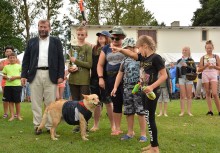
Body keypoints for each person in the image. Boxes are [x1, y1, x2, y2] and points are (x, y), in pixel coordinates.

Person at [111, 35, 167, 153]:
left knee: (150, 118)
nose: (138, 50)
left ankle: (155, 148)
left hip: (151, 92)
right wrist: (120, 49)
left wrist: (151, 87)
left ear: (145, 46)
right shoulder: (143, 58)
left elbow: (164, 75)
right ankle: (153, 144)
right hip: (144, 91)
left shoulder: (156, 58)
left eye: (139, 48)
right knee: (148, 117)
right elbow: (131, 54)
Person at [21, 19, 65, 134]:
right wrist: (23, 75)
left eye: (45, 27)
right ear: (38, 27)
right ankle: (37, 125)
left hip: (51, 74)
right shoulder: (31, 42)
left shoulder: (56, 41)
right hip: (34, 74)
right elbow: (26, 60)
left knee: (50, 102)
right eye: (41, 27)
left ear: (49, 28)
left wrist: (61, 74)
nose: (43, 29)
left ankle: (50, 126)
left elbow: (61, 59)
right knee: (36, 101)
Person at [111, 38, 147, 142]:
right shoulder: (124, 60)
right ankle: (130, 132)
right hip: (126, 88)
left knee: (140, 111)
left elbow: (146, 73)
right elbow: (120, 74)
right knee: (128, 111)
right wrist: (115, 87)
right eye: (125, 48)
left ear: (134, 47)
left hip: (138, 88)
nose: (126, 50)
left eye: (128, 48)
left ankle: (143, 134)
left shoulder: (140, 58)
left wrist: (144, 83)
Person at [97, 26, 126, 135]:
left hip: (124, 79)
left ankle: (130, 130)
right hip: (109, 78)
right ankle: (117, 128)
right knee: (116, 103)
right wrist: (101, 78)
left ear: (122, 37)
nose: (114, 40)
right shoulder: (106, 48)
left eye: (117, 38)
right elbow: (100, 64)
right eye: (112, 38)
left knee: (127, 103)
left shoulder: (127, 47)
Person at [68, 26, 92, 132]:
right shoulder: (72, 48)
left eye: (82, 34)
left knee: (84, 103)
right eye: (78, 34)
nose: (80, 36)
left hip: (84, 80)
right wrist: (70, 69)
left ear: (86, 35)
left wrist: (76, 61)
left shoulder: (88, 47)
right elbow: (70, 63)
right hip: (73, 79)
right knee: (75, 103)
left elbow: (89, 64)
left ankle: (85, 125)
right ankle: (78, 124)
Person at [90, 30, 113, 132]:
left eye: (102, 36)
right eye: (99, 35)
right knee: (97, 103)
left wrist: (102, 78)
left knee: (108, 102)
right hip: (94, 78)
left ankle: (113, 125)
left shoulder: (111, 48)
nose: (100, 37)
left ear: (108, 37)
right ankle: (95, 125)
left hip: (107, 78)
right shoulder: (94, 49)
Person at [198, 40, 220, 116]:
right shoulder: (203, 57)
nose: (209, 50)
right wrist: (206, 66)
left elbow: (219, 67)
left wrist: (213, 66)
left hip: (213, 74)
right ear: (205, 49)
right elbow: (199, 69)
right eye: (207, 48)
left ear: (213, 48)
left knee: (214, 93)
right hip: (205, 75)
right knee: (207, 93)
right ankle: (210, 111)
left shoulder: (216, 56)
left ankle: (219, 110)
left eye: (210, 48)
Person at [0, 46, 20, 118]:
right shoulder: (2, 61)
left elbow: (19, 70)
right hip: (5, 82)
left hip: (15, 83)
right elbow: (1, 69)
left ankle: (15, 114)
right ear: (5, 53)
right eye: (7, 51)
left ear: (12, 52)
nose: (8, 53)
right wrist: (7, 63)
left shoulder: (17, 61)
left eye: (10, 51)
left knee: (14, 98)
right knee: (5, 98)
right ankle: (6, 113)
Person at [176, 47, 196, 117]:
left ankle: (189, 111)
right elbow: (177, 72)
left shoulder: (191, 60)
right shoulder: (179, 60)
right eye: (183, 50)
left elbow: (194, 70)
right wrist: (176, 82)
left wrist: (187, 65)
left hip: (189, 78)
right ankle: (182, 111)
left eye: (186, 50)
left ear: (189, 51)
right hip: (181, 79)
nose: (184, 51)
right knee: (182, 96)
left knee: (189, 96)